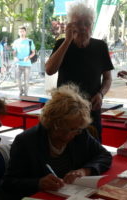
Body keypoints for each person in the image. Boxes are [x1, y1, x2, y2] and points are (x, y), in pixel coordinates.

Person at [2, 84, 112, 200]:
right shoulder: (26, 141)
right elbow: (8, 183)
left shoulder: (80, 133)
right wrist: (38, 183)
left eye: (76, 130)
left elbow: (104, 155)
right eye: (66, 129)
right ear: (53, 123)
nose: (71, 135)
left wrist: (85, 170)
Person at [45, 2, 114, 141]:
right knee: (63, 150)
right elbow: (49, 70)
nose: (82, 27)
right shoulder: (61, 44)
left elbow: (107, 78)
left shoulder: (100, 46)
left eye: (87, 23)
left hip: (91, 111)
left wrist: (101, 94)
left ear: (92, 25)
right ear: (70, 25)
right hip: (65, 112)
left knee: (93, 151)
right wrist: (67, 41)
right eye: (77, 23)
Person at [13, 26, 36, 96]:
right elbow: (14, 52)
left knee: (26, 81)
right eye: (20, 31)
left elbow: (33, 52)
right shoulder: (16, 42)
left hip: (27, 64)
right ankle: (21, 90)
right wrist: (14, 57)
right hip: (18, 64)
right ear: (18, 32)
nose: (21, 33)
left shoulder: (30, 41)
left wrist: (28, 57)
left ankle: (26, 94)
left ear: (25, 32)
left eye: (23, 31)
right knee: (17, 79)